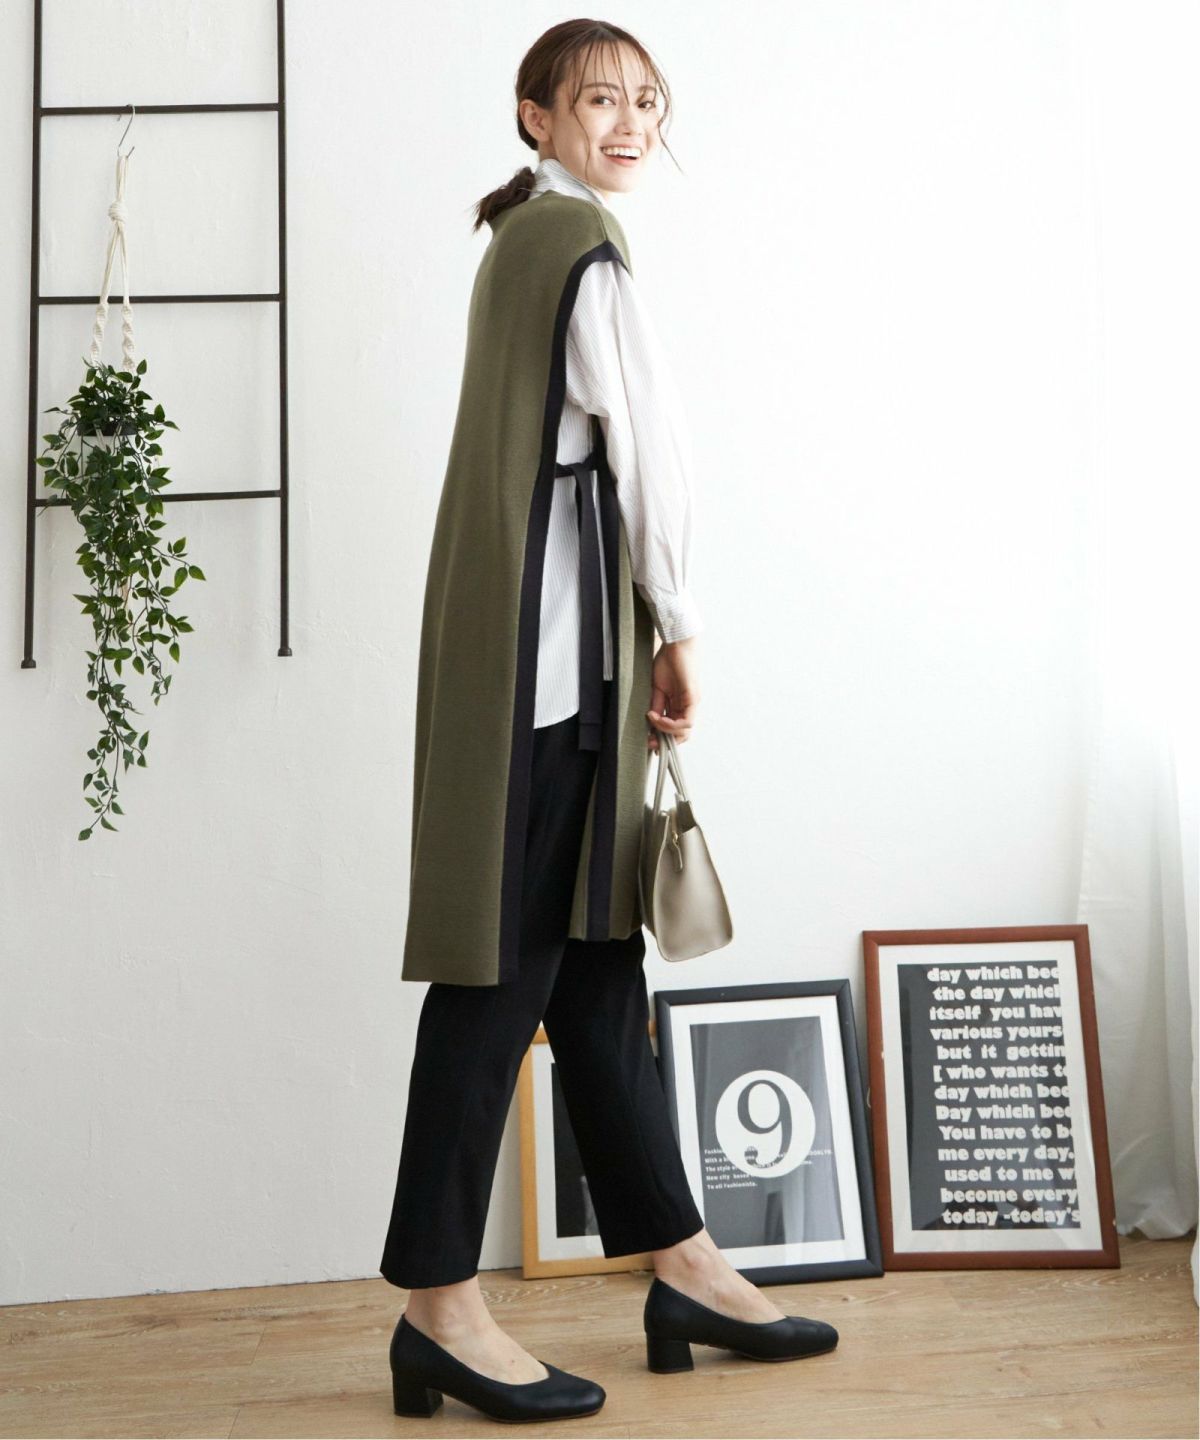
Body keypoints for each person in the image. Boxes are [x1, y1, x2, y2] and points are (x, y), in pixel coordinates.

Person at [381, 19, 838, 1425]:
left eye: (649, 100)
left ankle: (679, 1261)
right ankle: (437, 1302)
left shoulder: (522, 237)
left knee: (590, 969)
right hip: (558, 675)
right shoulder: (581, 244)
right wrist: (679, 627)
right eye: (599, 98)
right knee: (500, 974)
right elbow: (649, 451)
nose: (631, 121)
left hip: (543, 667)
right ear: (536, 113)